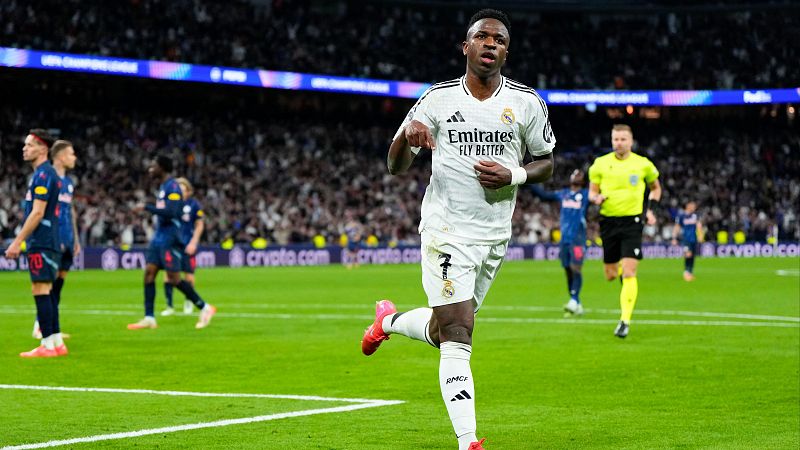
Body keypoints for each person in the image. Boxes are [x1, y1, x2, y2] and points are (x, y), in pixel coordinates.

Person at [360, 9, 555, 450]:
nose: (491, 44)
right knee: (459, 334)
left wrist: (515, 175)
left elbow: (547, 162)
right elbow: (395, 166)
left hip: (493, 235)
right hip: (445, 231)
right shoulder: (436, 99)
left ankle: (387, 322)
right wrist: (406, 138)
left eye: (500, 39)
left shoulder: (526, 102)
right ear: (466, 47)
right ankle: (469, 442)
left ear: (506, 51)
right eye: (482, 37)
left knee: (441, 329)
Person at [588, 124, 661, 338]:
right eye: (615, 139)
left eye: (623, 139)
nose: (619, 143)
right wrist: (596, 198)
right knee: (611, 275)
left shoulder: (643, 164)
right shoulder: (600, 164)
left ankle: (624, 321)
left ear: (631, 141)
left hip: (633, 221)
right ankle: (620, 268)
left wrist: (651, 210)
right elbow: (592, 193)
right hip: (608, 222)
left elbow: (656, 188)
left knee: (630, 272)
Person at [128, 155, 216, 330]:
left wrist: (146, 207)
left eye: (154, 165)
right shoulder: (163, 187)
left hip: (170, 238)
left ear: (162, 168)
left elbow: (171, 213)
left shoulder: (173, 187)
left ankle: (205, 307)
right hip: (159, 237)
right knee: (149, 273)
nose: (150, 168)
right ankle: (149, 317)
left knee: (174, 279)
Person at [5, 129, 67, 357]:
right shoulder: (48, 174)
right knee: (48, 290)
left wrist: (17, 241)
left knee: (40, 289)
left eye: (30, 145)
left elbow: (38, 212)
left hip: (42, 240)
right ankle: (57, 342)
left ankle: (47, 345)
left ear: (43, 149)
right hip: (50, 239)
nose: (25, 148)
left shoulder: (42, 175)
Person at [32, 140, 80, 340]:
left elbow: (70, 212)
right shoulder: (49, 178)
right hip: (53, 239)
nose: (74, 157)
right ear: (60, 156)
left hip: (68, 240)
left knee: (57, 286)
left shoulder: (68, 183)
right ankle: (40, 326)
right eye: (71, 154)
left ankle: (52, 328)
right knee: (46, 285)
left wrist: (76, 240)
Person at [530, 169, 590, 316]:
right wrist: (526, 179)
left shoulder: (586, 195)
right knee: (568, 270)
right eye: (574, 173)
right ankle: (576, 303)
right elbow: (543, 195)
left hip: (578, 239)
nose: (575, 175)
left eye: (579, 174)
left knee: (576, 268)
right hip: (564, 240)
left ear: (583, 181)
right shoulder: (563, 194)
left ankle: (574, 300)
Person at [162, 177, 205, 316]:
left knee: (189, 277)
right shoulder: (171, 204)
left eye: (182, 189)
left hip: (187, 245)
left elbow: (199, 225)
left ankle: (189, 301)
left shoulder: (194, 205)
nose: (180, 191)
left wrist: (194, 242)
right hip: (172, 244)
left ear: (188, 191)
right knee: (168, 275)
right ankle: (169, 306)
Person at [672, 201, 703, 281]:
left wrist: (700, 236)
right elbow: (677, 227)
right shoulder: (681, 216)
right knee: (688, 254)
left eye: (694, 206)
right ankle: (686, 272)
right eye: (692, 205)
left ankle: (690, 272)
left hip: (694, 239)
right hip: (686, 239)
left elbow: (699, 225)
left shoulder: (695, 216)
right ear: (687, 206)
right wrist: (674, 238)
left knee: (692, 256)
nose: (694, 207)